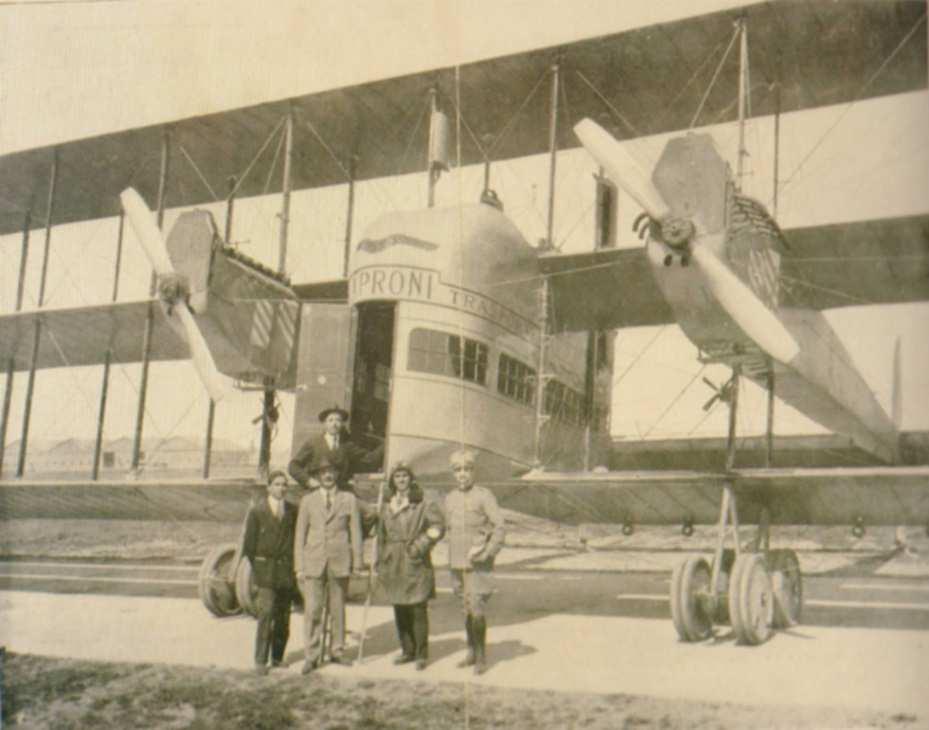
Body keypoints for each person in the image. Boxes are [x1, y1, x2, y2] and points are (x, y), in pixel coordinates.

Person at [294, 453, 364, 672]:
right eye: (323, 472)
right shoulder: (307, 500)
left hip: (339, 561)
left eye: (331, 471)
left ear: (337, 474)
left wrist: (358, 563)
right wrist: (299, 566)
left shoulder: (349, 499)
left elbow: (356, 533)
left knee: (338, 609)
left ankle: (337, 651)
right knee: (313, 609)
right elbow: (299, 535)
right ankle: (311, 655)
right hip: (313, 561)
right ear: (317, 475)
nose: (328, 475)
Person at [374, 462, 445, 670]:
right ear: (392, 481)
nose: (401, 480)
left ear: (411, 478)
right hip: (393, 561)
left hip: (415, 560)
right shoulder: (386, 504)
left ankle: (422, 653)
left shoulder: (422, 502)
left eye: (405, 476)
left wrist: (419, 546)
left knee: (417, 607)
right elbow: (381, 535)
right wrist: (380, 559)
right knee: (399, 606)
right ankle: (407, 650)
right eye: (397, 476)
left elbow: (437, 528)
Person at [444, 449, 505, 675]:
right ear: (453, 474)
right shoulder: (449, 498)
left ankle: (481, 657)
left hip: (477, 564)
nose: (463, 474)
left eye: (467, 469)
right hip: (457, 563)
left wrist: (488, 552)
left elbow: (499, 526)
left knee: (477, 610)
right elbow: (447, 528)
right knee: (466, 609)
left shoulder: (484, 496)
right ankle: (470, 651)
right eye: (458, 470)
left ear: (474, 472)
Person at [241, 469, 297, 675]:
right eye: (277, 484)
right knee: (266, 614)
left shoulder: (292, 510)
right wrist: (260, 568)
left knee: (283, 616)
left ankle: (277, 657)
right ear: (269, 487)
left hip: (285, 571)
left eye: (284, 485)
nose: (281, 488)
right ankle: (260, 660)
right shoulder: (258, 511)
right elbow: (249, 546)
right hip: (266, 572)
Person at [289, 405, 383, 490]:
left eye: (338, 420)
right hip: (316, 492)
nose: (334, 424)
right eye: (330, 420)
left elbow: (369, 459)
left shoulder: (347, 445)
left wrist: (385, 446)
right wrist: (308, 480)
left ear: (342, 424)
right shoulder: (313, 443)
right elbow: (293, 466)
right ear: (324, 424)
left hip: (339, 493)